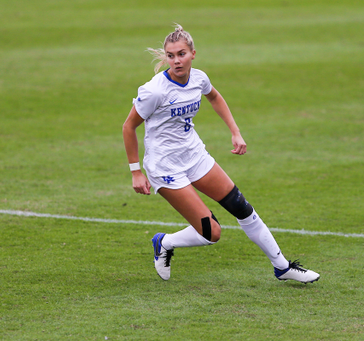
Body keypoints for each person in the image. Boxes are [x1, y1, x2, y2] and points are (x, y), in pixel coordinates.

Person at [122, 24, 320, 283]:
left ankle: (282, 266)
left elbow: (214, 97)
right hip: (165, 167)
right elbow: (129, 126)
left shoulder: (199, 78)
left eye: (181, 54)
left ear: (194, 53)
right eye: (171, 55)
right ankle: (164, 242)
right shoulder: (155, 91)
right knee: (211, 233)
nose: (176, 60)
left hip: (194, 155)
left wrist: (235, 131)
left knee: (242, 207)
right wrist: (136, 171)